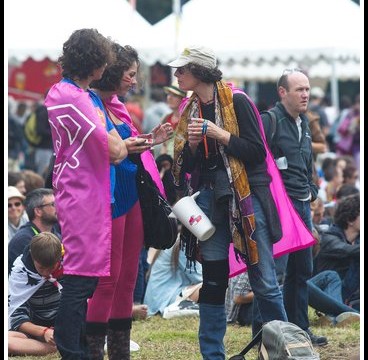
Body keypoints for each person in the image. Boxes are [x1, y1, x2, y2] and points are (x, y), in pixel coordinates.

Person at [168, 46, 315, 360]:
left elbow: (257, 153)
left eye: (182, 70)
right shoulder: (190, 108)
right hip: (210, 200)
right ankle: (212, 354)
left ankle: (289, 350)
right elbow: (191, 168)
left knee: (264, 279)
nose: (177, 75)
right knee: (213, 280)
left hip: (247, 199)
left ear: (199, 71)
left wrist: (221, 135)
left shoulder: (238, 101)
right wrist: (192, 147)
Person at [85, 42, 173, 359]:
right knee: (108, 280)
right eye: (130, 75)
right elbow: (110, 151)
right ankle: (95, 350)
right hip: (109, 199)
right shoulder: (91, 104)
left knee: (128, 278)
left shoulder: (114, 105)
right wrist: (143, 142)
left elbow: (126, 147)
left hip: (130, 194)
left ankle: (120, 351)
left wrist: (152, 140)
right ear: (112, 73)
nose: (134, 82)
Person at [44, 28, 128, 359]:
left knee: (85, 278)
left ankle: (76, 347)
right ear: (95, 64)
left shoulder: (58, 91)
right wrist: (114, 138)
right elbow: (116, 150)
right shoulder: (77, 98)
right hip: (83, 193)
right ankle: (73, 350)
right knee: (81, 280)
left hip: (77, 189)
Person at [261, 68, 327, 345]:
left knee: (302, 269)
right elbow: (258, 160)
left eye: (307, 89)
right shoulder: (270, 120)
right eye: (299, 89)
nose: (305, 94)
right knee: (276, 273)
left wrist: (312, 191)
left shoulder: (304, 123)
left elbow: (306, 164)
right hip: (280, 205)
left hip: (302, 204)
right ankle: (272, 331)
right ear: (282, 92)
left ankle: (299, 328)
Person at [8, 232, 63, 356]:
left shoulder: (69, 264)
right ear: (33, 258)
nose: (46, 273)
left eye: (51, 268)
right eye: (41, 268)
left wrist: (58, 329)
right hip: (35, 329)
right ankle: (54, 348)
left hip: (64, 326)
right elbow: (17, 317)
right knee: (8, 342)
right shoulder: (20, 272)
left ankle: (56, 345)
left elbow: (78, 304)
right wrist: (44, 331)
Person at [143, 239, 203, 319]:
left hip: (157, 302)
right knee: (213, 285)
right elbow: (201, 277)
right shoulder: (184, 244)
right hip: (163, 302)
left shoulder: (177, 241)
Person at [8, 188, 59, 275]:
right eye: (53, 204)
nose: (59, 207)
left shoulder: (56, 231)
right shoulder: (23, 241)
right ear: (38, 211)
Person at [159, 83, 187, 157]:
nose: (169, 98)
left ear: (183, 99)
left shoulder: (187, 120)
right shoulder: (165, 118)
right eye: (169, 94)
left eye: (174, 95)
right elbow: (164, 145)